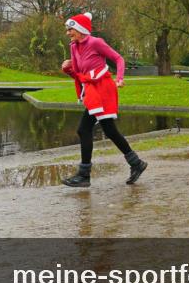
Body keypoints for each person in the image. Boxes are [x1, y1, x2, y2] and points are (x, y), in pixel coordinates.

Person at [60, 12, 147, 188]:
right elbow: (80, 75)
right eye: (68, 29)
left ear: (80, 29)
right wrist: (67, 69)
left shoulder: (96, 43)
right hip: (92, 90)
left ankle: (84, 175)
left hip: (103, 89)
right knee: (109, 130)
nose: (68, 32)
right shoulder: (74, 47)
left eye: (71, 29)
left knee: (84, 130)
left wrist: (120, 78)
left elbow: (118, 58)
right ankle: (136, 163)